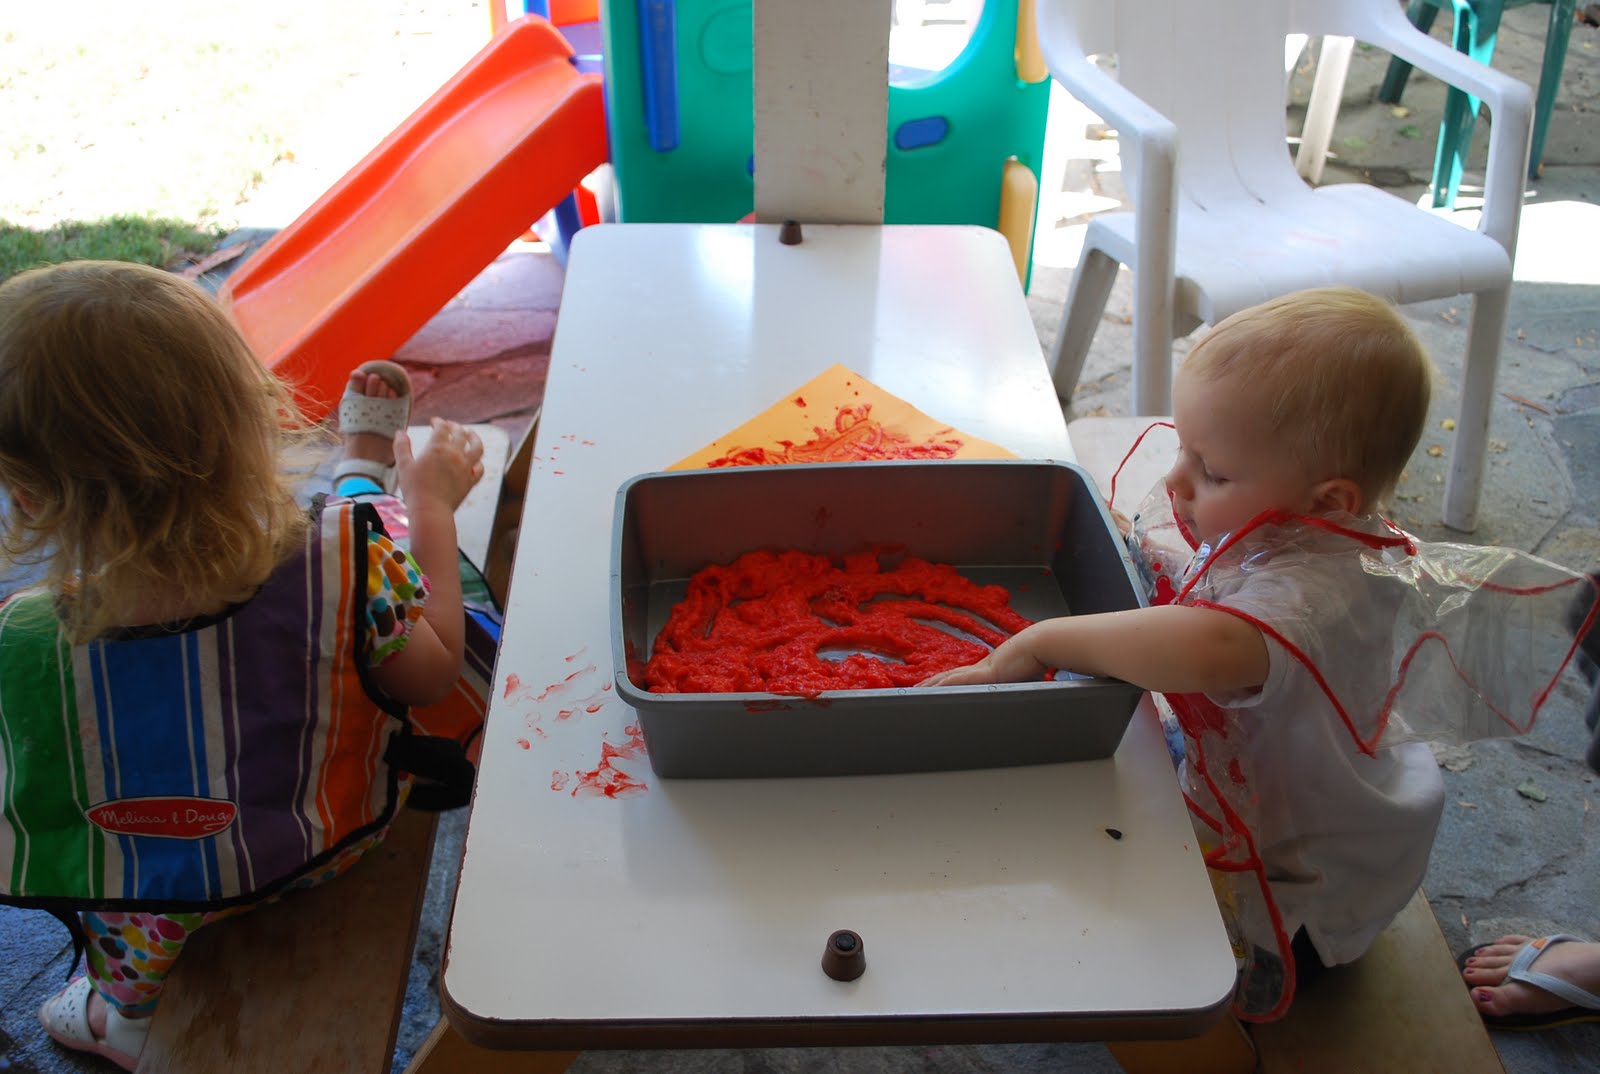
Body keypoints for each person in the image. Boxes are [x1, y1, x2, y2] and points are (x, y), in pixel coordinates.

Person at [922, 286, 1594, 1021]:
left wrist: (1040, 638)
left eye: (1212, 473)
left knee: (1119, 930)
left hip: (1299, 874)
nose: (1177, 481)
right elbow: (1223, 588)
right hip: (1294, 776)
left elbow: (1211, 647)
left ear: (1331, 499)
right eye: (1182, 448)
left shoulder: (1315, 595)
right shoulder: (1309, 528)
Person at [0, 260, 487, 1070]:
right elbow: (434, 675)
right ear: (254, 422)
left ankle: (114, 1020)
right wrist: (434, 509)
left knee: (114, 912)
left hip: (150, 903)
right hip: (321, 840)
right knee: (360, 536)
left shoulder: (20, 637)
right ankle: (372, 480)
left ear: (30, 494)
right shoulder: (343, 566)